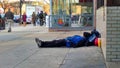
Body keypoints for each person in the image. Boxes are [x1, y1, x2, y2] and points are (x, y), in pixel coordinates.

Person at [35, 29, 101, 48]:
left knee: (55, 43)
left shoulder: (85, 40)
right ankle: (42, 43)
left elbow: (78, 44)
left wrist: (72, 44)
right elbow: (85, 34)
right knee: (55, 42)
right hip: (68, 40)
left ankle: (42, 44)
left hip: (68, 41)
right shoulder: (86, 39)